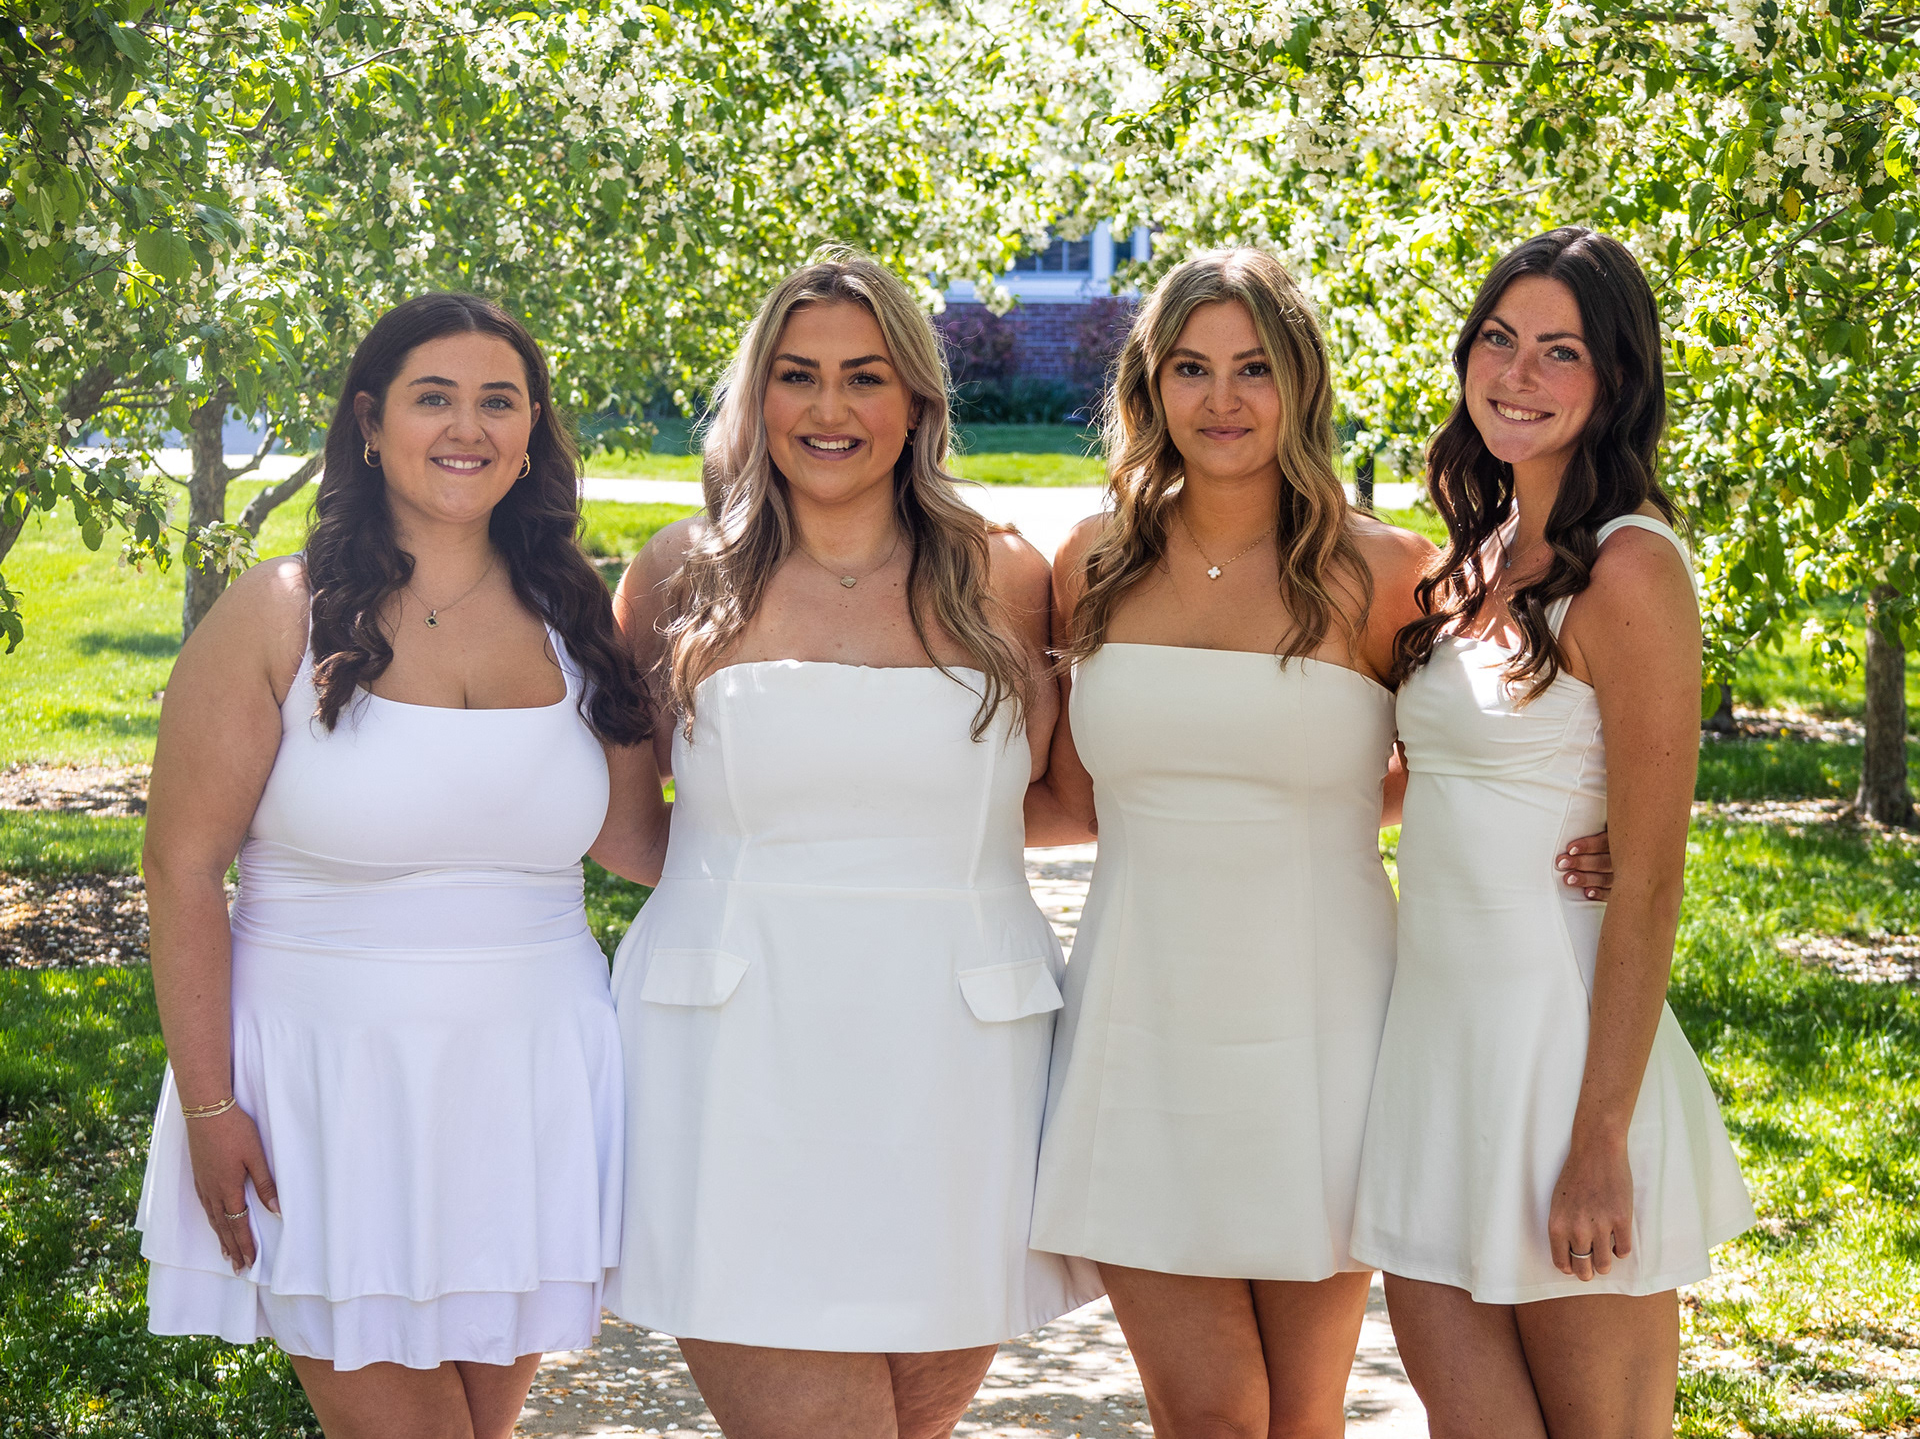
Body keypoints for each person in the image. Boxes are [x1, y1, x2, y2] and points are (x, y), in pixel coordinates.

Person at [1027, 248, 1616, 1438]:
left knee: (1301, 1416)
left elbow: (1459, 757)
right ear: (1149, 385)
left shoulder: (1390, 573)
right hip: (1136, 1028)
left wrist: (1574, 826)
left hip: (1328, 1033)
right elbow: (1070, 794)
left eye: (1254, 368)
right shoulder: (1089, 561)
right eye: (1190, 369)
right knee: (1212, 1412)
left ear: (1301, 382)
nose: (1221, 399)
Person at [136, 293, 668, 1439]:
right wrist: (210, 1102)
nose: (467, 427)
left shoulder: (577, 616)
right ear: (372, 423)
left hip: (529, 1086)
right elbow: (180, 869)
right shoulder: (279, 612)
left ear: (531, 436)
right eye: (435, 398)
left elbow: (642, 845)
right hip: (326, 1088)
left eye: (498, 402)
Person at [604, 249, 1101, 1439]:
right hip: (737, 1053)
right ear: (758, 395)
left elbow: (1060, 800)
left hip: (960, 1060)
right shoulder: (677, 573)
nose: (829, 408)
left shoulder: (1006, 575)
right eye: (798, 375)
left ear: (917, 400)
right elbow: (628, 827)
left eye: (864, 376)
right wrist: (764, 883)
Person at [1349, 228, 1754, 1438]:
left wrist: (1598, 1140)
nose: (1517, 374)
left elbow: (1653, 878)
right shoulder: (1476, 558)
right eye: (1499, 339)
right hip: (1435, 1050)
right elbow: (1436, 781)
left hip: (1564, 1057)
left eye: (1559, 351)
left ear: (1616, 378)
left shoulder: (1630, 568)